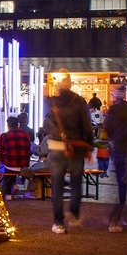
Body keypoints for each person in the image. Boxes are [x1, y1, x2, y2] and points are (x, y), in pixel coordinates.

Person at [43, 73, 93, 234]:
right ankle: (74, 215)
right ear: (70, 85)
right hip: (76, 147)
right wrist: (89, 145)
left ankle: (59, 223)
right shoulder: (80, 101)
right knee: (76, 183)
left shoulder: (51, 102)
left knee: (57, 185)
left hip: (56, 146)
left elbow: (46, 124)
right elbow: (87, 125)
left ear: (59, 87)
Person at [103, 85, 127, 232]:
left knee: (121, 184)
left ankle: (117, 217)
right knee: (124, 185)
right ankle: (117, 217)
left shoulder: (112, 111)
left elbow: (108, 131)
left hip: (118, 149)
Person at [0, 116, 32, 200]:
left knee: (7, 166)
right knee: (12, 165)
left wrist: (4, 161)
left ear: (8, 125)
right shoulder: (26, 135)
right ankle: (14, 184)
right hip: (24, 165)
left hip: (10, 165)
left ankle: (8, 193)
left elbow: (0, 152)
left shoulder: (4, 136)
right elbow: (29, 150)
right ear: (18, 125)